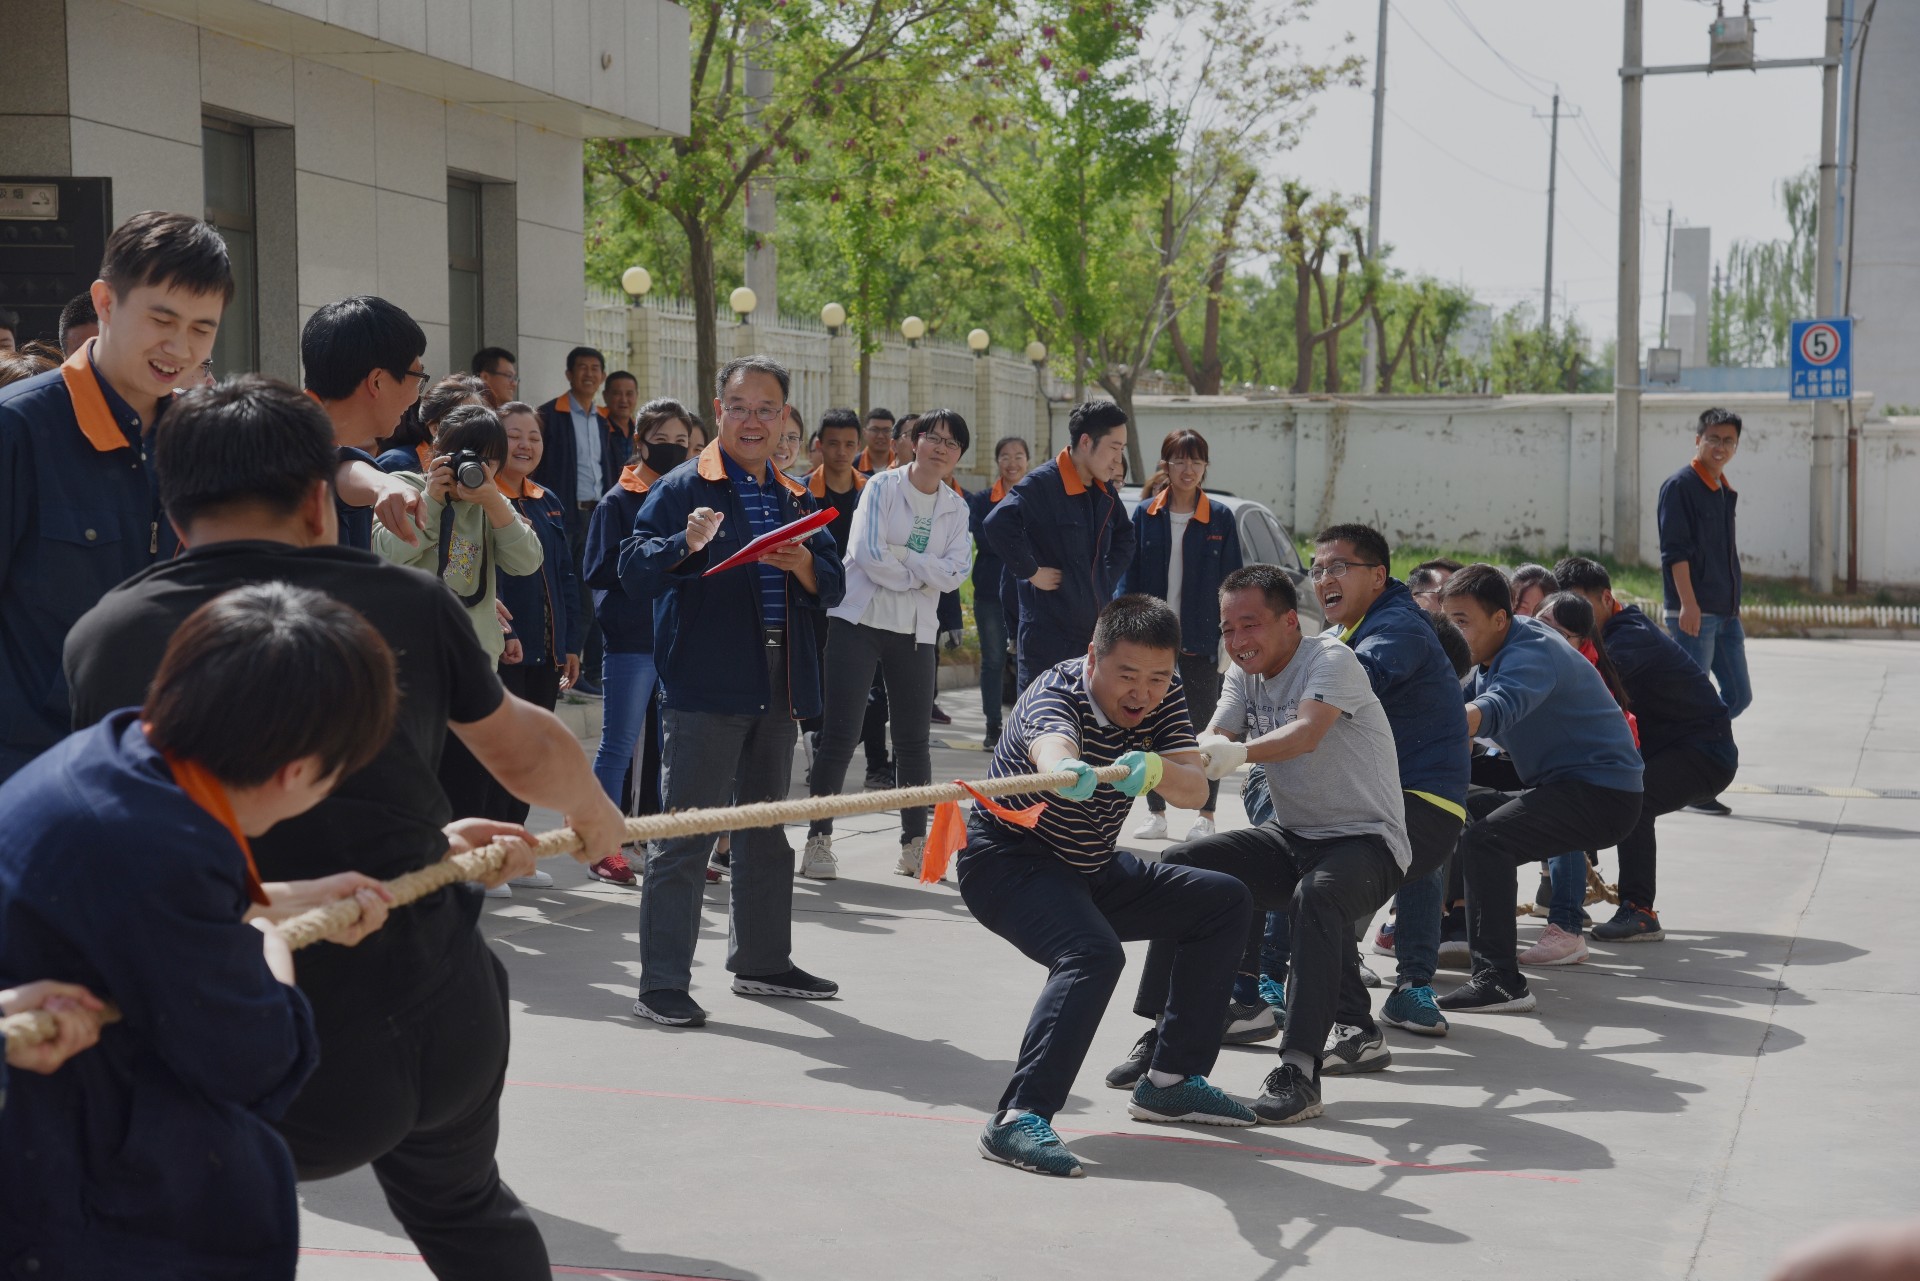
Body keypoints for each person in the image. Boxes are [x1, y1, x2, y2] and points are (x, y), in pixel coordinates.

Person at [64, 375, 626, 1280]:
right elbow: (525, 746)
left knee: (172, 1225)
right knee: (467, 1207)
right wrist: (594, 814)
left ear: (170, 508)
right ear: (319, 501)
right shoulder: (406, 600)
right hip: (444, 1011)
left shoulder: (112, 633)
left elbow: (132, 843)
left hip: (269, 1033)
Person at [2, 581, 403, 1278]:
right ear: (298, 771)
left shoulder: (119, 754)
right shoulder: (164, 848)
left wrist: (283, 900)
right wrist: (266, 940)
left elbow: (141, 920)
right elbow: (257, 1060)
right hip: (65, 1204)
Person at [1107, 565, 1410, 1125]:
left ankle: (1299, 1070)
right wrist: (1171, 759)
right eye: (1227, 629)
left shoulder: (1330, 660)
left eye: (1249, 624)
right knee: (1183, 865)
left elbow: (1307, 732)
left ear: (1290, 621)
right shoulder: (1242, 675)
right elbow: (1216, 736)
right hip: (1292, 838)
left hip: (1367, 842)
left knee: (1316, 898)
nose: (1237, 640)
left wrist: (1240, 754)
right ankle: (1164, 1039)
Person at [965, 595, 1254, 1178]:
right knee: (1091, 954)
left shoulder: (1164, 696)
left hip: (1089, 865)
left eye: (1157, 677)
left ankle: (1170, 1081)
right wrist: (1061, 769)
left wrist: (1158, 769)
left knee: (1222, 901)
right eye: (1127, 675)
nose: (1142, 692)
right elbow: (1051, 742)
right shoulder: (1056, 692)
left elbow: (1195, 790)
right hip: (1009, 864)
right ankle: (1019, 1117)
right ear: (1093, 656)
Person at [619, 355, 847, 1028]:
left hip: (779, 682)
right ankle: (662, 983)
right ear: (717, 412)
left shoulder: (795, 495)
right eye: (740, 408)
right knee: (685, 836)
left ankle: (763, 962)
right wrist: (683, 544)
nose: (753, 421)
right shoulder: (683, 486)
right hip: (706, 683)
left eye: (766, 409)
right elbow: (632, 570)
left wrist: (804, 563)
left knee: (764, 831)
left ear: (784, 418)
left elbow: (833, 583)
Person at [0, 210, 230, 782]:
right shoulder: (18, 428)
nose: (179, 347)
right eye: (162, 319)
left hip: (160, 771)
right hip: (31, 774)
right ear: (105, 302)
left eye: (202, 329)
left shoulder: (200, 440)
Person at [1435, 564, 1643, 1015]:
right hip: (1563, 782)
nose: (1453, 632)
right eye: (1447, 621)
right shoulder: (1490, 654)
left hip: (1601, 792)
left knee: (1487, 841)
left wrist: (1431, 723)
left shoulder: (1530, 651)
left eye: (1462, 621)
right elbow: (1458, 704)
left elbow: (1499, 705)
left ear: (1500, 619)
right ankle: (1439, 928)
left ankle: (1498, 980)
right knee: (1456, 813)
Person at [1304, 524, 1470, 1041]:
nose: (1324, 579)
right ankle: (1281, 980)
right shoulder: (1342, 631)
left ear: (1378, 576)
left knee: (1317, 875)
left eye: (1338, 567)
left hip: (1420, 798)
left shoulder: (1396, 625)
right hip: (1384, 791)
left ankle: (1405, 989)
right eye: (1317, 569)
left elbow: (1356, 678)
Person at [801, 409, 973, 881]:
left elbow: (957, 571)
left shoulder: (956, 507)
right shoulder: (881, 487)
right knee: (840, 735)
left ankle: (913, 845)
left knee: (914, 742)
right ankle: (817, 840)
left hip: (915, 632)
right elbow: (867, 554)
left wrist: (906, 560)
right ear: (914, 441)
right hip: (858, 621)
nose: (941, 449)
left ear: (958, 455)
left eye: (952, 443)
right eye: (933, 438)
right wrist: (923, 570)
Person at [1551, 555, 1740, 941]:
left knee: (1633, 799)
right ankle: (1559, 885)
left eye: (1580, 606)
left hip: (1705, 753)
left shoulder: (1627, 640)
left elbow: (1583, 700)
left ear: (1606, 599)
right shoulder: (1602, 636)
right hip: (1669, 748)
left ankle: (1639, 910)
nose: (1573, 618)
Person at [583, 398, 695, 886]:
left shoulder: (686, 497)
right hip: (632, 639)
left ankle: (660, 843)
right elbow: (598, 569)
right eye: (661, 440)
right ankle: (601, 847)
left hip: (677, 636)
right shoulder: (617, 501)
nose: (672, 449)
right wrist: (657, 560)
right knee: (619, 744)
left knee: (673, 747)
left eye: (681, 442)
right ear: (640, 442)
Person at [1122, 429, 1244, 842]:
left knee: (1204, 730)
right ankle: (1156, 812)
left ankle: (1206, 815)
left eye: (1195, 461)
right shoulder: (1146, 515)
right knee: (1147, 725)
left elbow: (1233, 583)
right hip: (1152, 641)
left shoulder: (1220, 518)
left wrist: (1230, 634)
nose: (1187, 469)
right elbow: (1128, 578)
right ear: (1166, 465)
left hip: (1201, 641)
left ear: (1205, 466)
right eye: (1179, 460)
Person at [373, 403, 544, 665]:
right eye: (463, 457)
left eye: (486, 462)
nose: (471, 468)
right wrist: (430, 502)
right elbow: (383, 553)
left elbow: (528, 563)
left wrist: (495, 505)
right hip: (411, 654)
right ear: (438, 451)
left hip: (474, 656)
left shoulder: (493, 504)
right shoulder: (406, 488)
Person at [983, 400, 1135, 692]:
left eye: (1122, 450)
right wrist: (1031, 571)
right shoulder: (1042, 484)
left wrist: (1103, 578)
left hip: (1093, 639)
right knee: (1044, 716)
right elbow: (997, 523)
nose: (1118, 460)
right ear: (1086, 442)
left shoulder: (1103, 490)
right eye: (1114, 448)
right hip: (1047, 640)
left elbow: (1126, 538)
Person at [491, 401, 583, 839]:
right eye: (513, 436)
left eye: (534, 437)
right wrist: (504, 631)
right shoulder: (482, 499)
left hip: (546, 653)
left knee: (533, 757)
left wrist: (570, 643)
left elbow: (565, 575)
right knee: (502, 756)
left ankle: (515, 844)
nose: (525, 445)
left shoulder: (548, 500)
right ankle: (493, 849)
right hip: (504, 650)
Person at [1658, 406, 1750, 816]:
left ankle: (1677, 750)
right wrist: (1687, 604)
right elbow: (1674, 552)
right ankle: (1692, 784)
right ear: (1698, 440)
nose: (1720, 446)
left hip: (1726, 613)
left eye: (1728, 440)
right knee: (1696, 703)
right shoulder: (1680, 486)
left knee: (1737, 696)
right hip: (1696, 613)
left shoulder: (1722, 488)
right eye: (1713, 438)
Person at [300, 295, 433, 551]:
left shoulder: (301, 431)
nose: (417, 397)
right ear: (377, 381)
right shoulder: (279, 442)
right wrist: (382, 483)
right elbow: (333, 469)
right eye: (418, 377)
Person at [535, 346, 622, 696]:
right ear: (569, 374)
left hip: (594, 516)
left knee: (587, 595)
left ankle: (577, 669)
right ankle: (554, 669)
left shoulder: (603, 421)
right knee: (555, 593)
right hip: (560, 517)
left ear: (602, 376)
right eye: (582, 368)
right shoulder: (548, 415)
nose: (589, 373)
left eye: (595, 368)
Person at [967, 436, 1029, 749]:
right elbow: (986, 538)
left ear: (1028, 461)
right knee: (993, 660)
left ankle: (1024, 727)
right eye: (1005, 456)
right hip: (990, 593)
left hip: (1029, 593)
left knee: (1027, 661)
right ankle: (993, 726)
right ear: (997, 461)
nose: (1012, 462)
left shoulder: (1035, 497)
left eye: (1018, 456)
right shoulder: (981, 500)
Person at [375, 372, 487, 473]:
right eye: (466, 418)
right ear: (435, 428)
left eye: (481, 416)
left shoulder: (483, 464)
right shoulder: (397, 462)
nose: (479, 424)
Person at [604, 369, 640, 445]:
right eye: (617, 393)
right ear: (605, 396)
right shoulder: (598, 428)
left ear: (637, 396)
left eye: (629, 394)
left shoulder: (641, 431)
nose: (624, 400)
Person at [857, 406, 895, 474]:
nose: (880, 436)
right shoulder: (852, 466)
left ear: (894, 434)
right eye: (875, 430)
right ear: (865, 433)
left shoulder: (903, 465)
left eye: (886, 430)